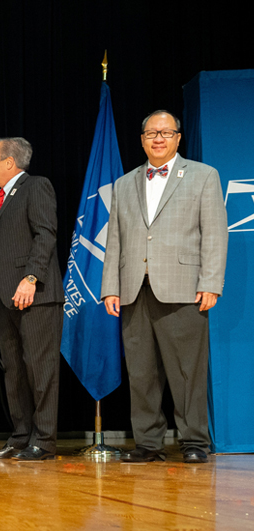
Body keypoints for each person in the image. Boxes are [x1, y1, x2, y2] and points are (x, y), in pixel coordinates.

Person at [102, 110, 228, 464]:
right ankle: (147, 443)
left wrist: (211, 282)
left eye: (166, 132)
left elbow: (215, 234)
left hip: (184, 287)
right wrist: (110, 286)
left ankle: (194, 442)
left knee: (187, 370)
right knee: (141, 371)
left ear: (177, 137)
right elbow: (115, 241)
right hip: (133, 289)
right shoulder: (124, 183)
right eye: (151, 133)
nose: (158, 138)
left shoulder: (203, 176)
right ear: (142, 139)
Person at [0, 137, 63, 461]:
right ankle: (20, 437)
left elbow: (46, 234)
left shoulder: (36, 186)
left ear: (9, 162)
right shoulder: (2, 197)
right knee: (13, 372)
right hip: (7, 300)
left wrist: (31, 278)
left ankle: (44, 441)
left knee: (40, 371)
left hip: (36, 296)